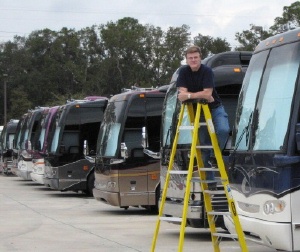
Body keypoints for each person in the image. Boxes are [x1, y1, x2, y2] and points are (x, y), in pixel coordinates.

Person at [176, 45, 230, 188]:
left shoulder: (207, 71)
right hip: (198, 112)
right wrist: (198, 96)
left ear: (200, 58)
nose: (193, 60)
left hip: (214, 108)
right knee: (203, 147)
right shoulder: (183, 72)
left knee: (224, 129)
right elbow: (181, 97)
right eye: (190, 58)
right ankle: (210, 184)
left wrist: (189, 95)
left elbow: (208, 94)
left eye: (196, 57)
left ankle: (215, 155)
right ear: (186, 60)